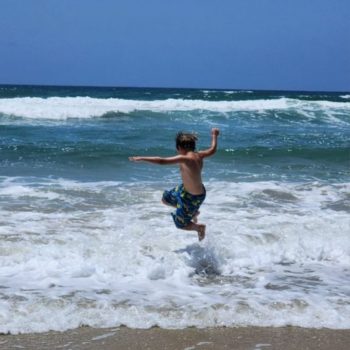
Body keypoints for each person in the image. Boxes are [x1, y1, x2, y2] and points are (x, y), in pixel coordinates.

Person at [129, 128, 220, 241]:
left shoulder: (185, 158)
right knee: (165, 199)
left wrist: (142, 158)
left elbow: (162, 161)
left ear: (179, 148)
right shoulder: (199, 155)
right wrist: (214, 135)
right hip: (186, 190)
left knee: (180, 224)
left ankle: (199, 228)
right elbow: (212, 149)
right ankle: (192, 212)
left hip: (192, 197)